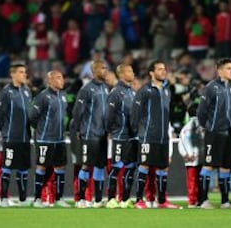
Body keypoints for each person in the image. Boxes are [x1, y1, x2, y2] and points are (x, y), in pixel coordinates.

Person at [131, 60, 179, 209]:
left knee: (163, 168)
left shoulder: (167, 90)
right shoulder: (144, 90)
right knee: (144, 166)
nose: (163, 71)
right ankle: (139, 200)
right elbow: (135, 113)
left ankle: (162, 201)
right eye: (159, 69)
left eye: (164, 69)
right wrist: (136, 131)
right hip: (147, 135)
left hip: (163, 137)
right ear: (151, 73)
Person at [196, 58, 231, 209]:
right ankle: (203, 200)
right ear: (219, 71)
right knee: (209, 165)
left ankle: (225, 201)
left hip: (228, 133)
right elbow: (201, 111)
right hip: (214, 133)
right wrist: (207, 127)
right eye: (228, 68)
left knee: (226, 166)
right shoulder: (211, 87)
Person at [28, 70, 70, 208]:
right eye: (58, 78)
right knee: (41, 167)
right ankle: (37, 199)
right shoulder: (42, 97)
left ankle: (59, 198)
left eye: (62, 77)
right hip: (45, 139)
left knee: (60, 167)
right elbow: (32, 116)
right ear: (50, 81)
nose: (61, 80)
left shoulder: (63, 96)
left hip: (59, 139)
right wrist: (41, 131)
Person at [0, 63, 32, 207]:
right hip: (11, 138)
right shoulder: (5, 93)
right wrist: (5, 131)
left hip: (25, 138)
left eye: (25, 72)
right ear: (13, 74)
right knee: (7, 167)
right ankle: (3, 198)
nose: (24, 74)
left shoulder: (27, 91)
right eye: (21, 72)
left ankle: (22, 200)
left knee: (23, 169)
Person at [73, 59, 109, 208]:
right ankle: (81, 199)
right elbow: (77, 111)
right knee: (86, 165)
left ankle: (98, 200)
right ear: (94, 71)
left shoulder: (106, 88)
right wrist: (78, 129)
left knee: (100, 166)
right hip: (89, 133)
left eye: (106, 68)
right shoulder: (86, 89)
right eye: (102, 68)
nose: (105, 71)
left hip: (102, 134)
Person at [105, 64, 136, 209]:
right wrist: (110, 131)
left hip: (132, 137)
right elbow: (109, 115)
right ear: (122, 74)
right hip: (120, 136)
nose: (133, 73)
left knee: (130, 168)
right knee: (116, 167)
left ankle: (125, 199)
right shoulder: (115, 92)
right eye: (129, 71)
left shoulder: (132, 92)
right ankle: (111, 198)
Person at [178, 103, 204, 208]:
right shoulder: (202, 126)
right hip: (201, 158)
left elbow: (181, 143)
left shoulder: (185, 128)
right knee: (201, 180)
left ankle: (192, 201)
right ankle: (200, 200)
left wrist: (186, 155)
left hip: (190, 160)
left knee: (192, 181)